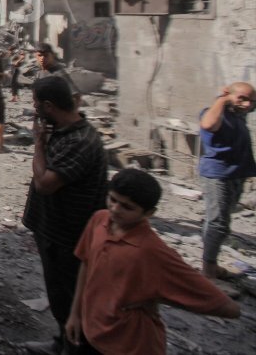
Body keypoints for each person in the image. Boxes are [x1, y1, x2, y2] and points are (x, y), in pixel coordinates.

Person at [65, 169, 240, 354]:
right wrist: (75, 314)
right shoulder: (99, 220)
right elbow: (86, 263)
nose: (115, 209)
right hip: (93, 332)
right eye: (113, 200)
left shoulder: (152, 251)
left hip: (131, 344)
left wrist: (159, 296)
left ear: (149, 213)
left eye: (127, 207)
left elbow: (227, 307)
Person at [21, 76, 108, 355]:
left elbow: (45, 183)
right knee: (60, 297)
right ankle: (62, 343)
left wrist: (38, 145)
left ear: (49, 105)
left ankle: (78, 348)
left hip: (71, 237)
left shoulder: (80, 140)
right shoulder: (61, 131)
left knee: (75, 302)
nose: (33, 107)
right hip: (53, 231)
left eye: (36, 102)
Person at [197, 82, 256, 283]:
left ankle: (210, 264)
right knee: (218, 223)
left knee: (220, 220)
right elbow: (208, 125)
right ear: (228, 95)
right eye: (242, 98)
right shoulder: (214, 112)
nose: (247, 104)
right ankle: (208, 271)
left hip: (235, 175)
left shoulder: (239, 115)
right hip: (218, 176)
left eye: (251, 101)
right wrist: (222, 98)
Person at [35, 43, 80, 107]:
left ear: (52, 56)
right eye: (40, 55)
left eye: (46, 55)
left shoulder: (59, 73)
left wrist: (70, 113)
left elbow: (76, 96)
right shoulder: (39, 72)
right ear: (36, 56)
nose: (42, 58)